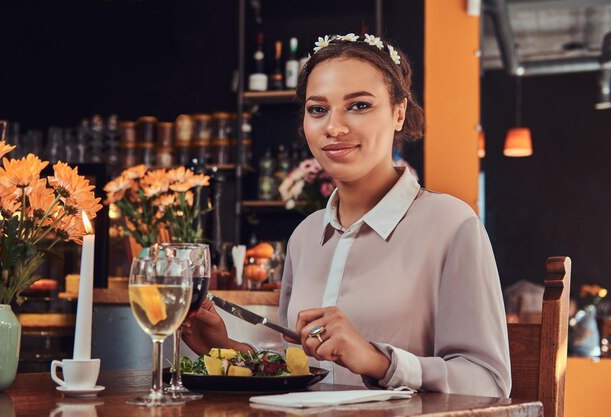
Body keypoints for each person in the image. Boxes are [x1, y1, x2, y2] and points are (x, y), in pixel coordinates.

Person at [182, 33, 511, 397]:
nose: (334, 127)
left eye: (359, 106)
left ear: (399, 112)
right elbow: (304, 370)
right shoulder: (305, 238)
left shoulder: (452, 225)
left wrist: (378, 361)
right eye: (318, 109)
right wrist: (226, 350)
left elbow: (490, 383)